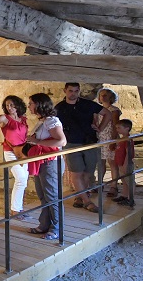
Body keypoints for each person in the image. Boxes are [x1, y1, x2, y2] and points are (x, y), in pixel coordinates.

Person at [55, 83, 111, 213]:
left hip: (89, 141)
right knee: (77, 172)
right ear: (65, 91)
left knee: (88, 171)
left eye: (76, 91)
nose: (73, 93)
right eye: (70, 91)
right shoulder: (60, 108)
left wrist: (100, 128)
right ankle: (87, 201)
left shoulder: (87, 104)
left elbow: (107, 113)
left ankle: (80, 196)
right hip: (71, 143)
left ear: (79, 91)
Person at [25, 93, 68, 240]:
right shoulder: (43, 121)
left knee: (52, 196)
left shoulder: (51, 121)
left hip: (50, 162)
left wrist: (36, 142)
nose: (29, 106)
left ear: (39, 104)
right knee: (43, 195)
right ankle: (44, 224)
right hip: (41, 162)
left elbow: (61, 141)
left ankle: (56, 228)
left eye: (31, 103)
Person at [0, 95, 30, 218]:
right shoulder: (4, 118)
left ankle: (19, 208)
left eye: (12, 105)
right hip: (10, 151)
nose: (9, 107)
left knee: (24, 180)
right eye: (7, 105)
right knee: (21, 178)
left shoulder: (23, 119)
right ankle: (15, 210)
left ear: (18, 105)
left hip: (23, 151)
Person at [96, 88, 122, 196]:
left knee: (112, 163)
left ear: (111, 97)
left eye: (106, 95)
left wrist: (113, 140)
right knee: (100, 163)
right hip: (100, 138)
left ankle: (113, 186)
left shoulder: (114, 110)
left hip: (110, 137)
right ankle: (100, 184)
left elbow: (116, 126)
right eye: (102, 95)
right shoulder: (98, 109)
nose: (103, 97)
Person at [114, 119, 136, 208]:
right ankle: (124, 195)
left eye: (119, 128)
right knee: (124, 180)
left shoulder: (128, 140)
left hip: (125, 164)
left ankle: (131, 198)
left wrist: (125, 164)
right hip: (120, 163)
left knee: (129, 181)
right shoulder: (122, 139)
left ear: (127, 128)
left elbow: (128, 153)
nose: (117, 130)